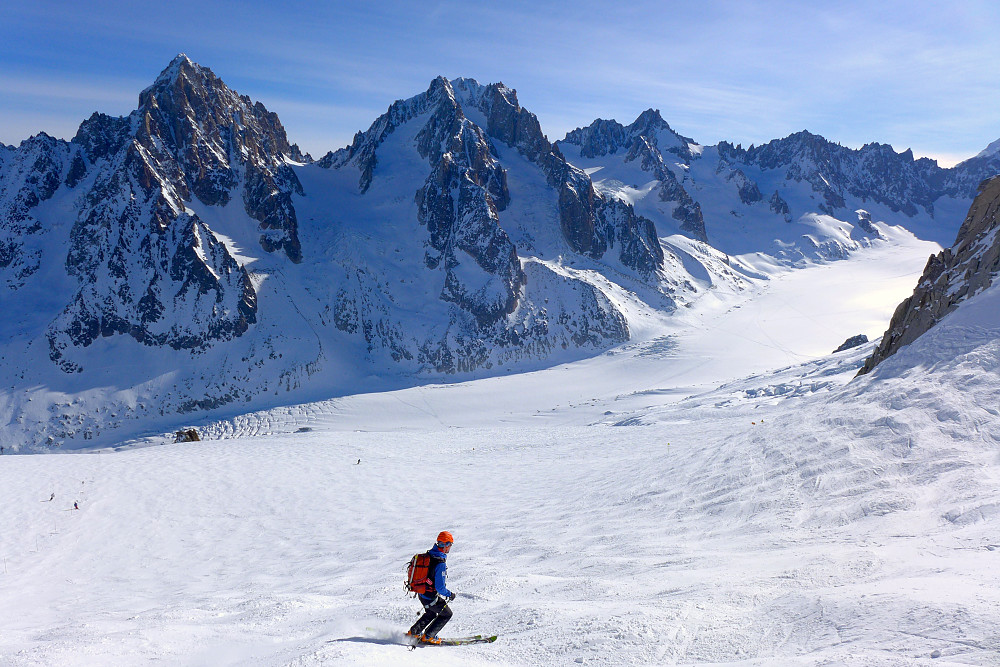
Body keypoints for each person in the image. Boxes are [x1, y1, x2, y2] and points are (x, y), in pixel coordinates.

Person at [406, 531, 456, 644]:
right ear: (446, 545)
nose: (450, 548)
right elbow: (440, 588)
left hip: (422, 593)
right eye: (450, 545)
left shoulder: (429, 555)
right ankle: (429, 636)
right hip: (430, 596)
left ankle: (414, 632)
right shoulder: (440, 563)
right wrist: (450, 594)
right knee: (447, 614)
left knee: (431, 613)